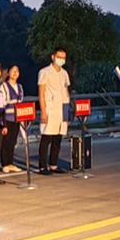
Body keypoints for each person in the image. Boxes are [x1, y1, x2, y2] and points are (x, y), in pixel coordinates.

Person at [37, 47, 71, 175]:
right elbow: (41, 93)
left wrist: (67, 113)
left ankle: (53, 164)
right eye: (59, 57)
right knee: (46, 137)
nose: (61, 60)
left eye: (63, 58)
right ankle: (42, 166)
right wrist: (43, 111)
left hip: (62, 109)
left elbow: (66, 92)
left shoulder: (64, 73)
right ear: (53, 57)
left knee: (58, 138)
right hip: (50, 108)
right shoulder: (44, 72)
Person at [0, 65, 24, 173]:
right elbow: (2, 105)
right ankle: (5, 163)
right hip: (7, 118)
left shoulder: (19, 87)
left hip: (17, 119)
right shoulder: (4, 86)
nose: (15, 73)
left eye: (17, 71)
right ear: (8, 73)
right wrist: (3, 123)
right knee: (6, 142)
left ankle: (11, 163)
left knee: (13, 142)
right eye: (13, 71)